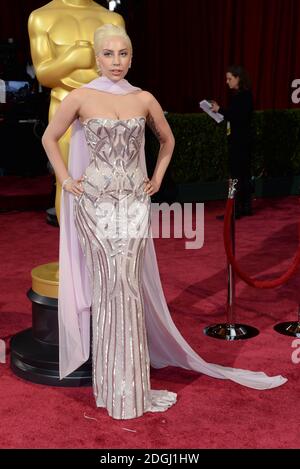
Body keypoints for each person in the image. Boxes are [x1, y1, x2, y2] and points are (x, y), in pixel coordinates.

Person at [42, 25, 286, 420]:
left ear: (132, 57)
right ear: (96, 56)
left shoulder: (144, 99)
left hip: (134, 205)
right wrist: (67, 181)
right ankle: (114, 388)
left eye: (123, 54)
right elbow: (50, 138)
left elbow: (168, 141)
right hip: (96, 206)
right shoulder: (81, 96)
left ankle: (130, 389)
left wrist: (155, 179)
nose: (116, 62)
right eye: (108, 54)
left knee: (129, 288)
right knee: (110, 288)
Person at [28, 0, 124, 220]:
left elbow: (120, 68)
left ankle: (103, 251)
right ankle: (70, 253)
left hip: (107, 106)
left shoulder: (112, 19)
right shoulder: (41, 17)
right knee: (67, 181)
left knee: (110, 182)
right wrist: (71, 60)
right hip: (64, 105)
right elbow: (43, 74)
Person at [211, 65, 254, 219]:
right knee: (242, 175)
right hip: (240, 142)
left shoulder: (243, 96)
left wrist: (220, 110)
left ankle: (235, 209)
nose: (227, 82)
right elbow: (235, 116)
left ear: (238, 78)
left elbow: (237, 116)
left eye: (230, 79)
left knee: (236, 176)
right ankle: (244, 207)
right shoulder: (242, 96)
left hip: (239, 143)